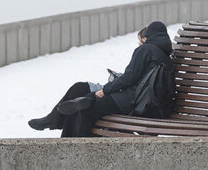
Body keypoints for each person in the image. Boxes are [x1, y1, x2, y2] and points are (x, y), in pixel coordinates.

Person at [27, 21, 173, 137]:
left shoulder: (146, 49)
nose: (143, 41)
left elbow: (130, 78)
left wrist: (104, 91)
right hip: (141, 100)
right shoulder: (164, 56)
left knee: (85, 107)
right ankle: (58, 127)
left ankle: (76, 150)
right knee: (80, 91)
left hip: (132, 101)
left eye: (144, 38)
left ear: (149, 36)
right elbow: (139, 79)